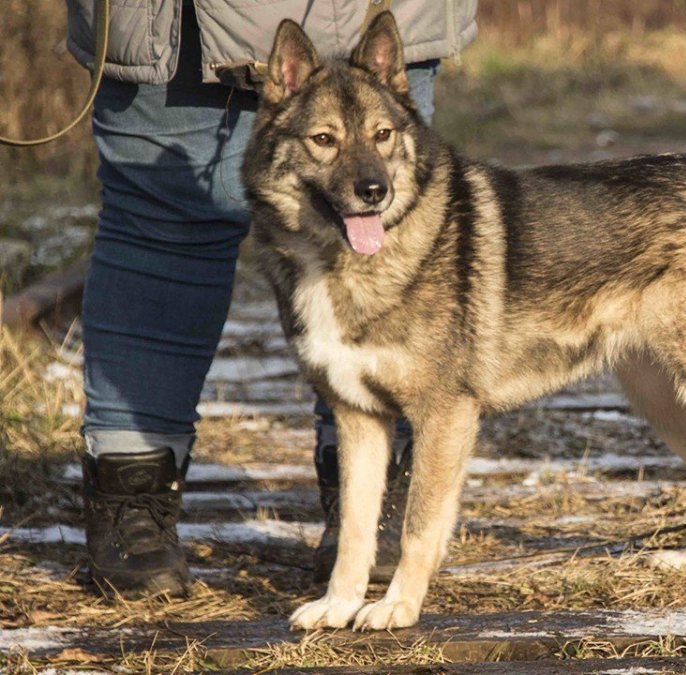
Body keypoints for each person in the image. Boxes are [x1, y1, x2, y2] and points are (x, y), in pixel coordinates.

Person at [65, 0, 478, 597]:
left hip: (171, 25)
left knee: (163, 230)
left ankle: (374, 507)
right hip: (170, 31)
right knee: (158, 225)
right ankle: (133, 488)